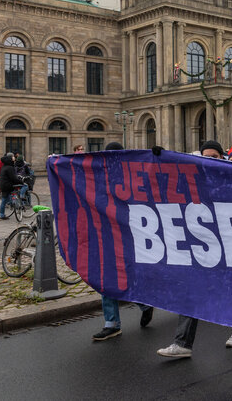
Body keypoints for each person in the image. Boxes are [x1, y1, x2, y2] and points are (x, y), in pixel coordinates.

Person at [157, 141, 232, 357]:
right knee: (192, 290)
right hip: (202, 246)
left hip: (229, 245)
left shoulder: (231, 178)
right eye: (205, 156)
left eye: (214, 156)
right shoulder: (193, 179)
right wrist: (159, 159)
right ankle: (182, 343)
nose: (209, 160)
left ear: (222, 157)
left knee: (230, 289)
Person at [92, 141, 155, 341]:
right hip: (106, 233)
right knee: (107, 277)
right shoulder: (100, 174)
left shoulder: (133, 175)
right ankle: (112, 323)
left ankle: (144, 303)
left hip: (129, 234)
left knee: (126, 275)